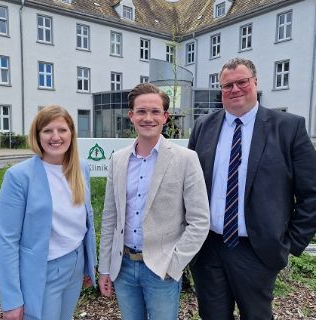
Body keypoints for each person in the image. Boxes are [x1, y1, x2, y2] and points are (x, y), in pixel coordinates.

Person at [188, 57, 316, 319]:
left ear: (255, 83)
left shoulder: (288, 128)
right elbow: (187, 184)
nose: (235, 89)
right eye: (227, 85)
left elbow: (311, 193)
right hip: (208, 247)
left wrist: (290, 243)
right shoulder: (204, 125)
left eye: (242, 82)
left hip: (257, 250)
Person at [98, 83, 209, 320]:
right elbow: (110, 217)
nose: (148, 118)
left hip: (162, 269)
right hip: (124, 267)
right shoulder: (118, 160)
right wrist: (105, 267)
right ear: (131, 116)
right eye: (141, 111)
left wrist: (174, 264)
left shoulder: (186, 159)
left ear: (165, 117)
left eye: (155, 111)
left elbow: (200, 221)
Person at [0, 105, 97, 320]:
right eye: (47, 131)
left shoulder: (81, 168)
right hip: (43, 271)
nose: (55, 137)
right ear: (37, 135)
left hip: (75, 263)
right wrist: (11, 300)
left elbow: (86, 220)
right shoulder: (18, 177)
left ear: (71, 133)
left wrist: (89, 265)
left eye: (62, 130)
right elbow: (7, 241)